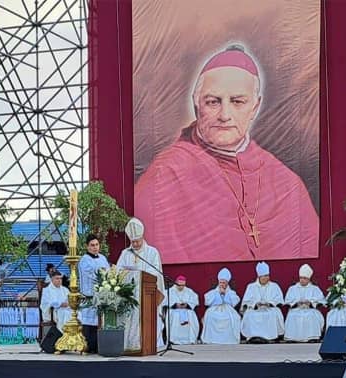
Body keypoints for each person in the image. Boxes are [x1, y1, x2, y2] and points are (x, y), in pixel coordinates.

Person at [134, 44, 318, 264]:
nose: (225, 115)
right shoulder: (165, 176)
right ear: (196, 103)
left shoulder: (287, 184)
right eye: (213, 102)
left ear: (255, 106)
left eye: (237, 101)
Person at [116, 218, 166, 352]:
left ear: (142, 237)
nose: (135, 244)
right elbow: (118, 271)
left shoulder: (152, 252)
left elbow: (155, 272)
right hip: (130, 296)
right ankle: (129, 345)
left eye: (137, 241)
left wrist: (138, 272)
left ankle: (147, 345)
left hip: (146, 295)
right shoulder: (125, 253)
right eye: (133, 241)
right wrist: (127, 273)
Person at [78, 235, 110, 352]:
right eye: (92, 245)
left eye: (97, 245)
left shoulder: (102, 258)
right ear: (87, 246)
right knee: (89, 323)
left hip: (101, 296)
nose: (95, 247)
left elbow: (107, 272)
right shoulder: (84, 260)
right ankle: (89, 346)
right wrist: (104, 273)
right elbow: (93, 274)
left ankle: (99, 346)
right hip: (89, 296)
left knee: (99, 323)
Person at [240, 262, 285, 342]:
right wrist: (255, 304)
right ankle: (253, 337)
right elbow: (246, 302)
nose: (266, 278)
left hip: (269, 309)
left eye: (267, 276)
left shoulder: (274, 286)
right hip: (255, 309)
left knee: (273, 314)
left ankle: (270, 337)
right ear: (259, 277)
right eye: (264, 276)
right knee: (250, 314)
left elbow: (279, 300)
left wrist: (269, 303)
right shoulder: (251, 286)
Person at [283, 264, 326, 342]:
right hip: (297, 309)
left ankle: (312, 337)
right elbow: (287, 301)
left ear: (309, 279)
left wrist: (310, 303)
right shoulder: (292, 288)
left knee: (311, 316)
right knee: (292, 315)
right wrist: (296, 303)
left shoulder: (315, 289)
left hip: (310, 309)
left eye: (304, 278)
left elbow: (322, 301)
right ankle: (292, 338)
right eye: (301, 278)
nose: (302, 280)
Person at [201, 268, 242, 344]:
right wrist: (219, 294)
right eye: (221, 282)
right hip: (215, 309)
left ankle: (229, 339)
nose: (222, 284)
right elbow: (207, 302)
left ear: (227, 283)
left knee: (234, 318)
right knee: (210, 316)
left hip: (227, 309)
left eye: (224, 282)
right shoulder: (213, 292)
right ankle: (211, 339)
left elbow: (235, 302)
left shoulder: (231, 292)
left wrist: (225, 294)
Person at [161, 276, 200, 345]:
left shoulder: (189, 291)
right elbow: (164, 302)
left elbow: (195, 300)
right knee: (176, 316)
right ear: (176, 283)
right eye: (179, 285)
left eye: (183, 285)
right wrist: (175, 305)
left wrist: (187, 304)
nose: (181, 287)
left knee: (190, 315)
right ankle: (173, 340)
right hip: (174, 310)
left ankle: (190, 339)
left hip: (186, 309)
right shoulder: (170, 291)